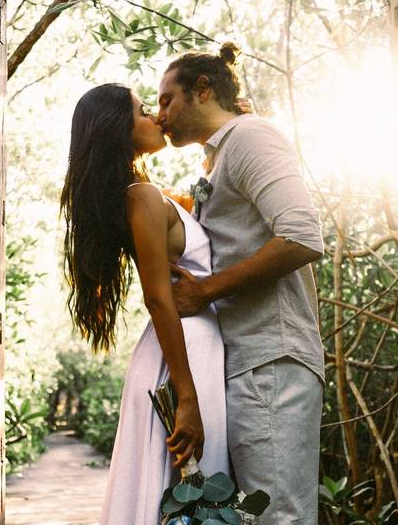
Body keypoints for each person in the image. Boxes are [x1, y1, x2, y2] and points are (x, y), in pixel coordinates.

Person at [157, 43, 325, 524]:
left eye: (167, 99)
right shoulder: (218, 160)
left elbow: (301, 237)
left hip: (270, 358)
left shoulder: (251, 137)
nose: (161, 113)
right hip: (246, 364)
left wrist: (206, 291)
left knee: (279, 518)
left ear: (202, 90)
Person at [61, 83, 235, 525]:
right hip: (182, 358)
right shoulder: (139, 198)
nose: (156, 117)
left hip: (185, 350)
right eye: (143, 110)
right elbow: (158, 299)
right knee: (191, 493)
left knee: (187, 496)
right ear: (119, 129)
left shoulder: (145, 194)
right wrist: (187, 397)